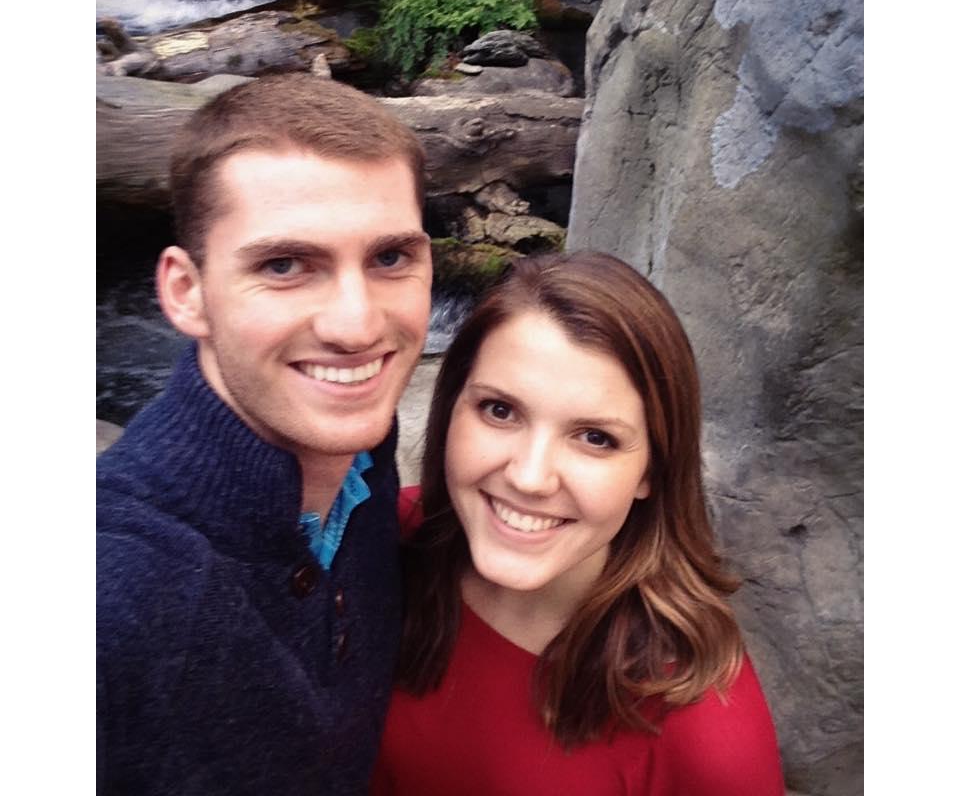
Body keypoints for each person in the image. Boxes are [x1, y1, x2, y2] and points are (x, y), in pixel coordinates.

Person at [97, 73, 433, 795]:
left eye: (390, 258)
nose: (358, 326)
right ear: (186, 291)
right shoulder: (112, 597)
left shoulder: (360, 455)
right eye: (285, 265)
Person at [372, 251, 785, 796]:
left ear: (651, 471)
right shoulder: (380, 540)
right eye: (500, 410)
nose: (531, 476)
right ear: (451, 409)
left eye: (595, 437)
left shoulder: (706, 735)